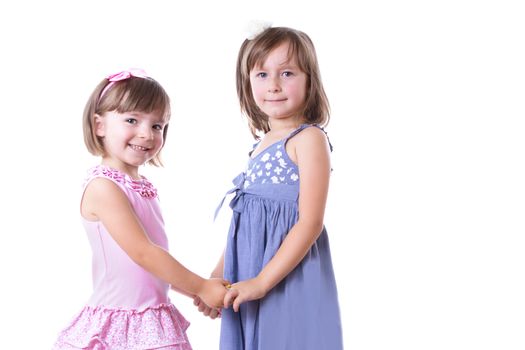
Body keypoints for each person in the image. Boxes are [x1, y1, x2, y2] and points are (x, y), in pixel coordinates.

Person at [53, 68, 229, 350]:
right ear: (99, 125)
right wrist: (201, 287)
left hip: (152, 316)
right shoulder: (103, 187)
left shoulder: (140, 185)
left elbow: (154, 268)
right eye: (132, 120)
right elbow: (143, 253)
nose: (146, 134)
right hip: (120, 323)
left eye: (157, 126)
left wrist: (198, 292)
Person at [211, 26, 344, 349]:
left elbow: (310, 222)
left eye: (287, 73)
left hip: (285, 278)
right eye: (261, 74)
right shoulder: (260, 145)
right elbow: (244, 221)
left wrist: (263, 282)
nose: (273, 85)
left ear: (309, 79)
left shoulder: (308, 139)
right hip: (252, 270)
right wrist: (220, 274)